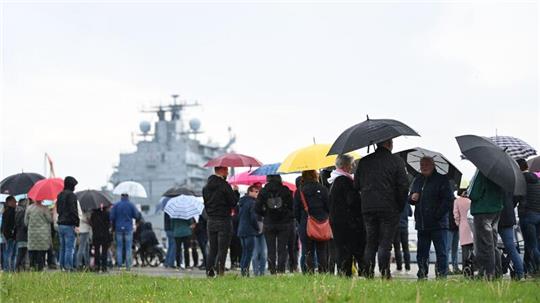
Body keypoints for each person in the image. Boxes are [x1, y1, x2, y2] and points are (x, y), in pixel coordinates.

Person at [354, 139, 409, 279]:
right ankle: (385, 274)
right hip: (389, 208)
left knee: (370, 242)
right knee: (385, 243)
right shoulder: (396, 161)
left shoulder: (364, 162)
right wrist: (400, 206)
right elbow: (403, 186)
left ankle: (368, 273)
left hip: (368, 208)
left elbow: (356, 185)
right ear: (389, 144)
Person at [409, 157, 453, 279]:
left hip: (438, 224)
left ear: (433, 165)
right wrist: (412, 197)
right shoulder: (418, 179)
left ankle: (442, 275)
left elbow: (448, 200)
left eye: (427, 164)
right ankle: (422, 274)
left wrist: (437, 215)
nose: (424, 166)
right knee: (421, 252)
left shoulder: (442, 179)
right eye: (422, 164)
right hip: (422, 223)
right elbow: (410, 198)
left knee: (441, 252)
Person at [328, 154, 366, 277]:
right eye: (351, 164)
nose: (353, 166)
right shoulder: (345, 181)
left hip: (337, 222)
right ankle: (349, 274)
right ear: (345, 166)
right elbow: (352, 201)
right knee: (350, 250)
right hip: (348, 223)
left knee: (341, 250)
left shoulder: (334, 180)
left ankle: (343, 274)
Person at [202, 166, 238, 277]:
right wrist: (235, 192)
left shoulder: (206, 187)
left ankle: (209, 273)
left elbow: (206, 204)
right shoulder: (224, 186)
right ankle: (220, 272)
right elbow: (233, 202)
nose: (227, 172)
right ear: (221, 171)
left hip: (211, 221)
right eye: (226, 170)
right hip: (224, 220)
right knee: (222, 249)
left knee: (213, 249)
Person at [256, 174, 294, 274]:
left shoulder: (263, 191)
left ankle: (272, 270)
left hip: (269, 223)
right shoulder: (285, 190)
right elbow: (292, 207)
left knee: (270, 248)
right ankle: (281, 270)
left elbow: (257, 208)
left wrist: (265, 214)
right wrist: (286, 215)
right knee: (282, 248)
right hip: (284, 223)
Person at [469, 171, 504, 280]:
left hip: (483, 210)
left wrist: (468, 192)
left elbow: (474, 194)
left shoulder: (482, 171)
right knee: (492, 244)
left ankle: (487, 274)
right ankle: (498, 272)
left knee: (484, 245)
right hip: (496, 210)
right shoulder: (501, 173)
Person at [294, 170, 330, 274]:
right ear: (315, 175)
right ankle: (323, 272)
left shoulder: (299, 191)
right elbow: (328, 206)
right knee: (322, 250)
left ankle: (308, 273)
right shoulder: (322, 189)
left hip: (305, 224)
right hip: (321, 223)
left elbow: (295, 211)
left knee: (307, 251)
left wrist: (301, 221)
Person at [517, 159, 540, 276]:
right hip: (538, 214)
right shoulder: (537, 179)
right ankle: (528, 268)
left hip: (528, 215)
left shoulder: (521, 180)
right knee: (536, 243)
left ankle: (538, 268)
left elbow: (515, 198)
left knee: (531, 245)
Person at [110, 193, 141, 270]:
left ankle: (119, 265)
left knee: (119, 247)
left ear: (121, 197)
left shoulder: (116, 205)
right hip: (128, 228)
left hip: (118, 228)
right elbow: (137, 215)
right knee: (128, 247)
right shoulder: (131, 205)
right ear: (128, 197)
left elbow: (111, 217)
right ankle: (128, 266)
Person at [56, 176, 80, 271]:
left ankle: (62, 266)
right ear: (71, 185)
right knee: (70, 248)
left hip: (60, 224)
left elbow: (58, 210)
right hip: (69, 224)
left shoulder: (59, 195)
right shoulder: (72, 196)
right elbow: (74, 210)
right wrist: (77, 223)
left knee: (62, 247)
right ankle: (68, 267)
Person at [237, 185, 260, 276]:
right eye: (255, 191)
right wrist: (257, 228)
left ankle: (243, 271)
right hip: (250, 230)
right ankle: (245, 273)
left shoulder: (242, 202)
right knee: (249, 253)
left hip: (241, 230)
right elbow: (253, 217)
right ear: (250, 192)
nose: (257, 193)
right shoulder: (252, 203)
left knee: (244, 252)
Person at [24, 200, 53, 271]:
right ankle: (40, 267)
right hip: (43, 234)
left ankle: (32, 266)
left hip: (32, 233)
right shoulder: (45, 208)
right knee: (41, 250)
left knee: (32, 250)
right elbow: (50, 220)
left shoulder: (29, 208)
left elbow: (25, 222)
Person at [453, 189, 474, 275]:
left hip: (463, 226)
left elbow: (456, 214)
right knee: (473, 248)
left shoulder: (457, 201)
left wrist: (458, 223)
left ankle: (465, 268)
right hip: (472, 225)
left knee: (465, 248)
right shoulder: (471, 200)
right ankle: (473, 267)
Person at [90, 203, 112, 272]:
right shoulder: (107, 214)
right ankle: (104, 267)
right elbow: (109, 224)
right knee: (104, 251)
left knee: (96, 250)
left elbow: (92, 224)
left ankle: (97, 266)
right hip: (105, 234)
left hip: (96, 234)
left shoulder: (93, 215)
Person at [393, 203, 412, 273]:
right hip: (404, 227)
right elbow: (410, 213)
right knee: (406, 248)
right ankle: (407, 267)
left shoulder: (394, 202)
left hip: (396, 227)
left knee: (397, 248)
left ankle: (399, 267)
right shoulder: (406, 203)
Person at [1, 195, 17, 272]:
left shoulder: (5, 212)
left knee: (8, 252)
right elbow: (10, 224)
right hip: (11, 235)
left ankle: (9, 268)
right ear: (9, 202)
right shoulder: (12, 211)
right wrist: (10, 234)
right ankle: (9, 269)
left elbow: (3, 226)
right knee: (10, 253)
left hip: (7, 235)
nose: (16, 203)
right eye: (14, 201)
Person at [14, 198, 29, 271]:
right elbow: (24, 225)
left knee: (21, 252)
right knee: (21, 252)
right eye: (27, 203)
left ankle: (19, 267)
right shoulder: (23, 213)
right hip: (24, 235)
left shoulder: (17, 212)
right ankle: (18, 267)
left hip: (19, 235)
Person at [447, 197, 461, 274]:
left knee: (449, 248)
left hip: (451, 227)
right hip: (454, 227)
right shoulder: (455, 201)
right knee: (453, 249)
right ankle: (454, 267)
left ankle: (450, 267)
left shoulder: (452, 200)